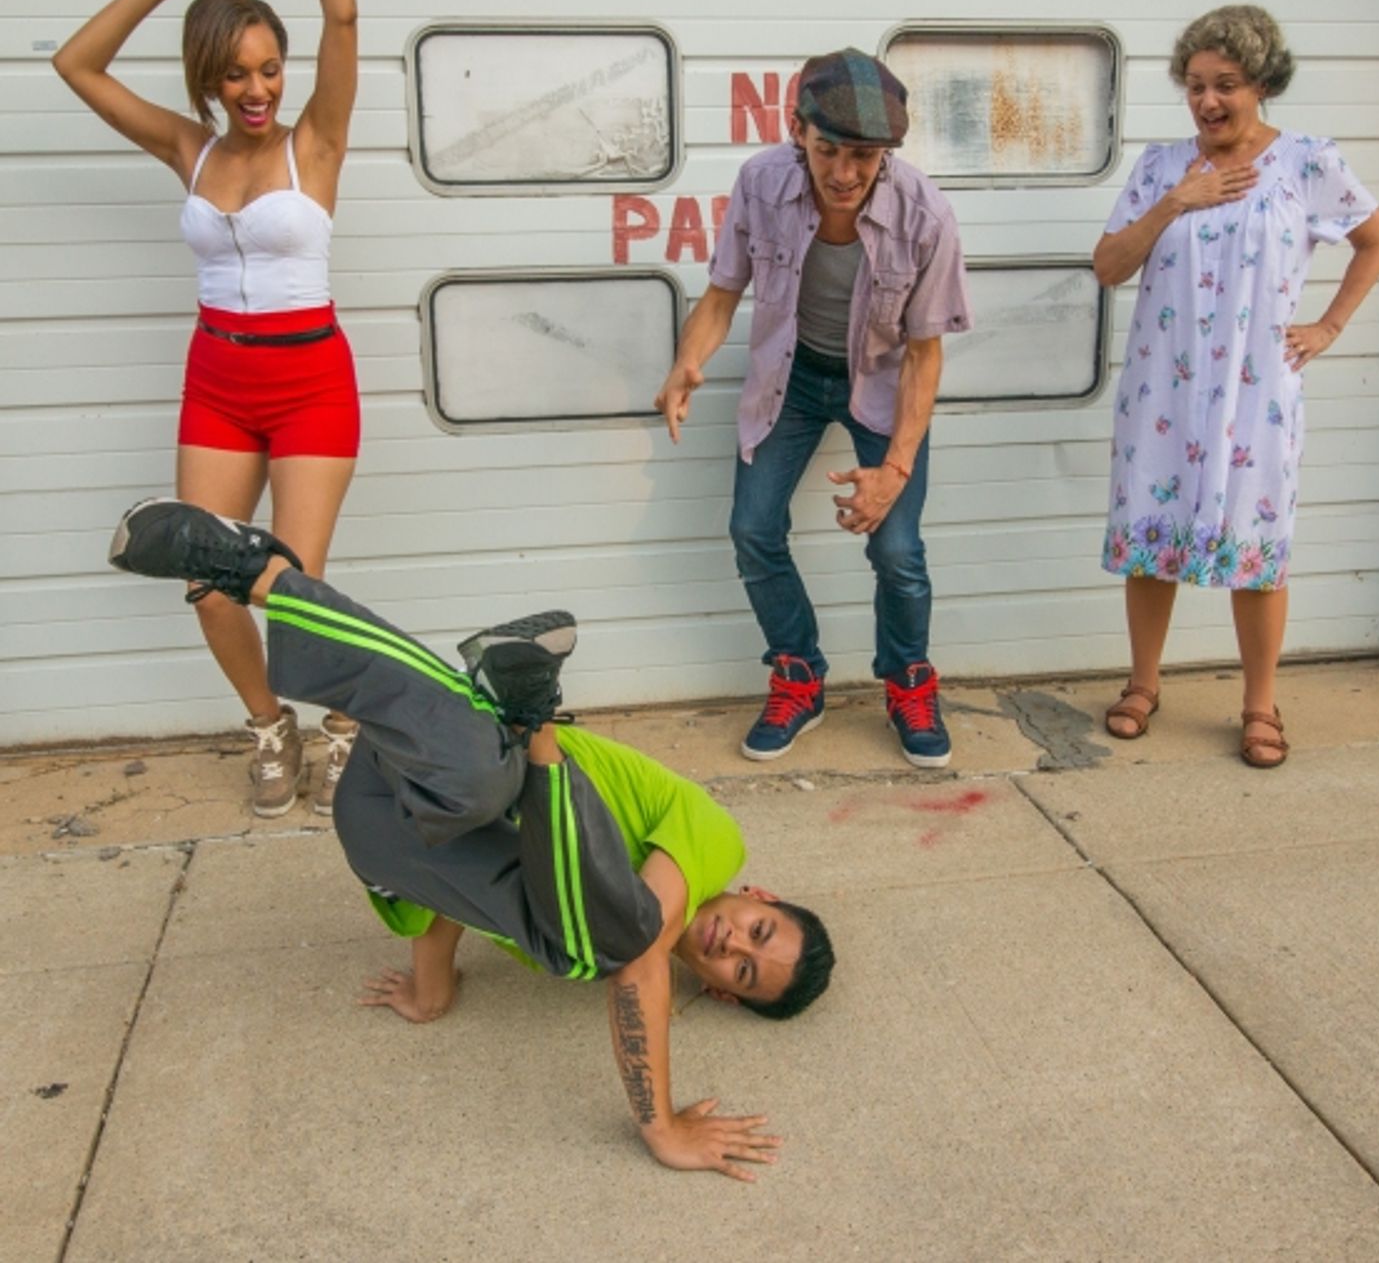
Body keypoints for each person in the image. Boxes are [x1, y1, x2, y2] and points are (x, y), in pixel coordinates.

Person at [107, 496, 836, 1183]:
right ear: (759, 894)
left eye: (743, 970)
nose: (732, 944)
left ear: (723, 994)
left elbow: (459, 892)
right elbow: (639, 958)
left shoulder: (581, 928)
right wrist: (662, 1127)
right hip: (434, 758)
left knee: (568, 923)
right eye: (757, 929)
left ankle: (526, 712)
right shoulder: (714, 839)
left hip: (387, 830)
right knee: (583, 909)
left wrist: (431, 991)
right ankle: (255, 571)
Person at [53, 0, 361, 815]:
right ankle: (270, 724)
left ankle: (346, 720)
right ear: (211, 80)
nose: (258, 87)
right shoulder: (188, 149)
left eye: (270, 68)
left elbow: (343, 17)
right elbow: (75, 65)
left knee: (293, 585)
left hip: (310, 379)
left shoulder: (313, 143)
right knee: (207, 580)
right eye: (237, 74)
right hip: (218, 381)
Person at [655, 49, 973, 767]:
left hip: (883, 385)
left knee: (897, 550)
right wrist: (685, 363)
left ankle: (908, 680)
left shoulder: (925, 214)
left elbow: (924, 355)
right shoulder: (760, 183)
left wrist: (895, 468)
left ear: (887, 152)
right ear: (795, 128)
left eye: (864, 156)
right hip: (790, 377)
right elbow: (722, 294)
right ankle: (798, 673)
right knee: (752, 528)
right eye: (828, 149)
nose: (844, 173)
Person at [1094, 4, 1379, 767]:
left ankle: (1260, 703)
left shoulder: (1306, 162)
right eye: (1195, 84)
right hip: (1163, 388)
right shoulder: (1161, 167)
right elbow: (1108, 266)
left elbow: (1374, 237)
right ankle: (1143, 683)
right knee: (1151, 542)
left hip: (1256, 391)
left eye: (1225, 83)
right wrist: (1176, 202)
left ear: (1262, 82)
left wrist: (1328, 327)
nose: (1207, 100)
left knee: (1258, 545)